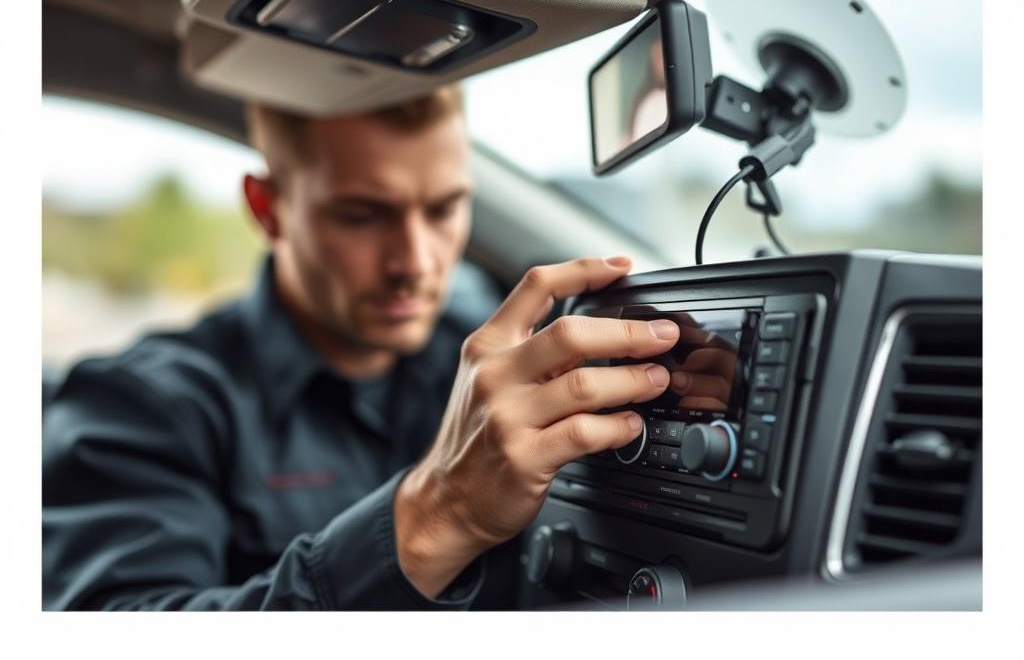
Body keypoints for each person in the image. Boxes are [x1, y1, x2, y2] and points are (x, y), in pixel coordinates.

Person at [43, 85, 681, 610]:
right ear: (268, 209)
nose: (415, 260)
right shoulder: (139, 404)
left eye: (443, 209)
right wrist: (439, 516)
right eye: (361, 215)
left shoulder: (498, 370)